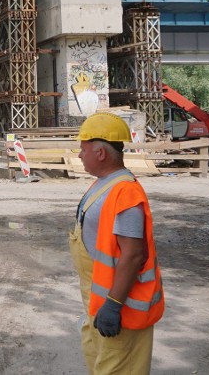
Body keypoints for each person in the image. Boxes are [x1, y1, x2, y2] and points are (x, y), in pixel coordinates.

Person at [69, 112, 165, 374]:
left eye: (83, 149)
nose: (79, 155)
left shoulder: (125, 192)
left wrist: (113, 304)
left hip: (122, 307)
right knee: (100, 363)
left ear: (100, 153)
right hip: (98, 301)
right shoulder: (103, 184)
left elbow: (133, 255)